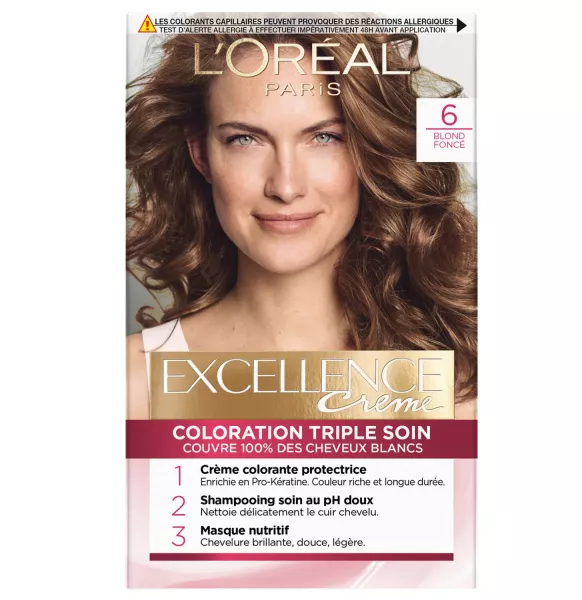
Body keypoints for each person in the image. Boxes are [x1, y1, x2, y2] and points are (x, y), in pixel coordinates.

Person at [126, 33, 477, 420]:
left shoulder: (460, 385)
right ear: (201, 154)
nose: (286, 187)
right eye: (245, 139)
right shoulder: (132, 386)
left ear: (371, 151)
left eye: (325, 137)